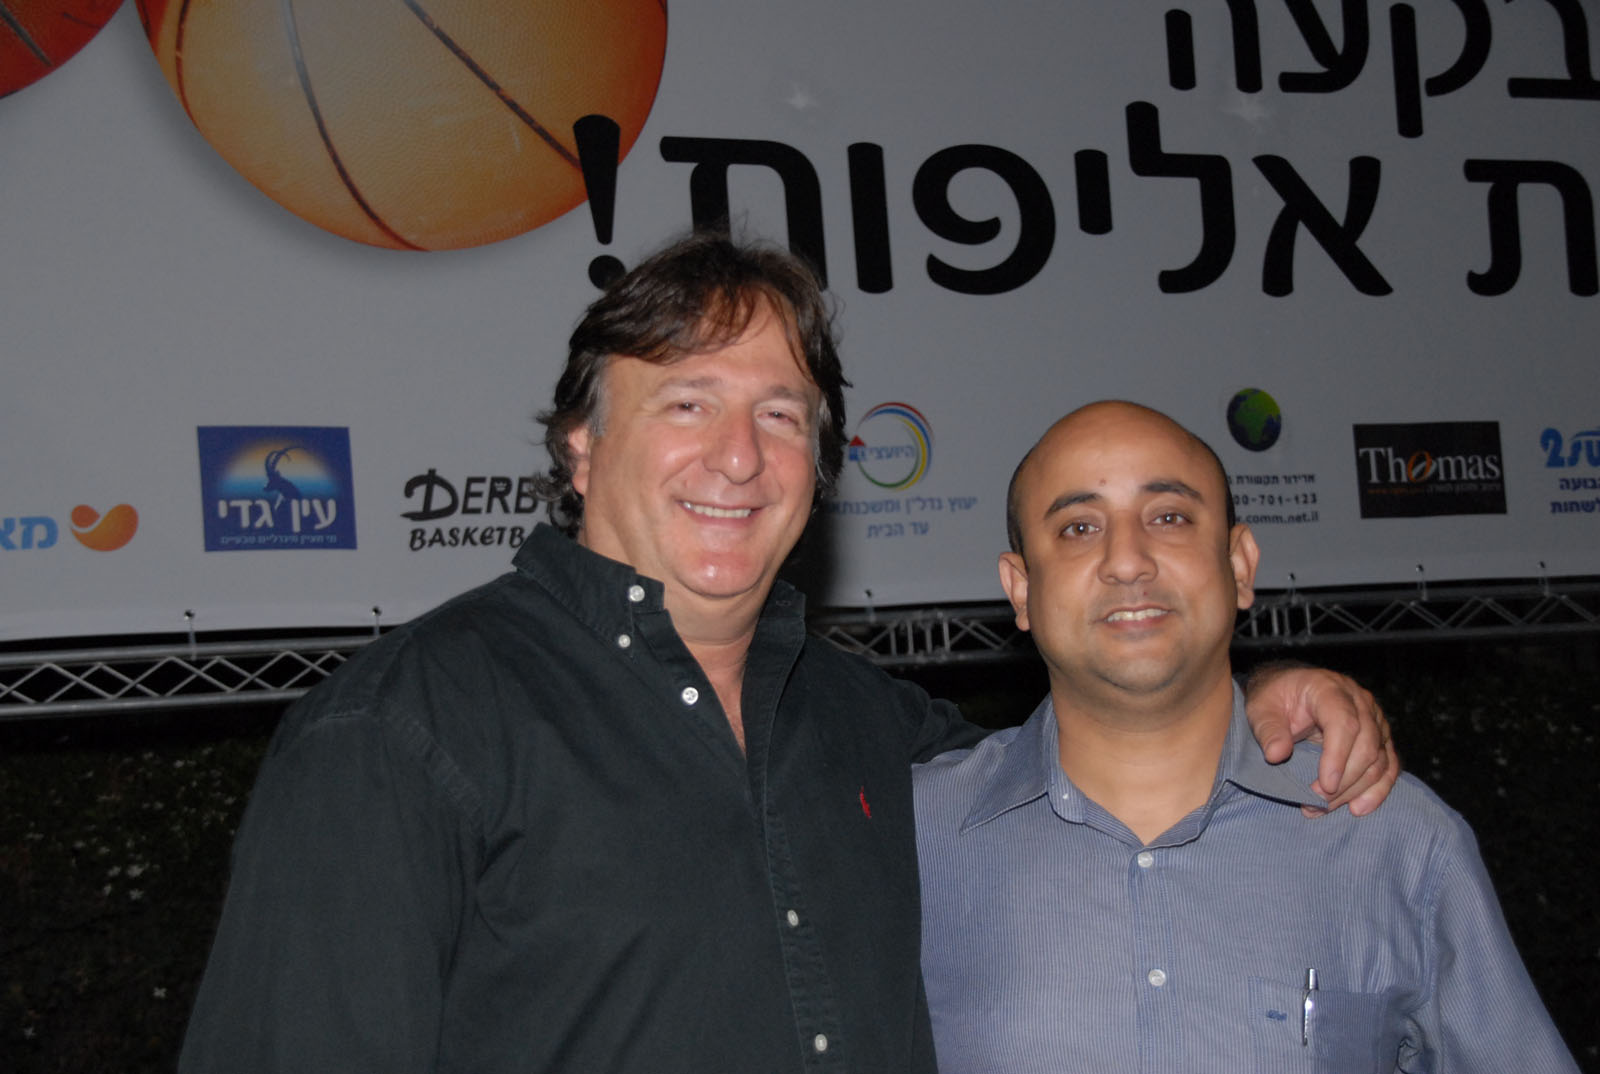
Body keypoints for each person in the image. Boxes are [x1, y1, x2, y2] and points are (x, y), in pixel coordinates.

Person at [178, 236, 1395, 1073]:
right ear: (581, 450)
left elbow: (1105, 763)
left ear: (817, 472)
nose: (738, 455)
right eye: (686, 403)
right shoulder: (403, 733)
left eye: (778, 415)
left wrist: (1252, 691)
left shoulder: (877, 728)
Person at [915, 401, 1577, 1073]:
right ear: (1020, 588)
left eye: (1168, 517)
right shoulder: (908, 842)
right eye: (1079, 527)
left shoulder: (1395, 839)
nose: (1127, 561)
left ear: (1239, 564)